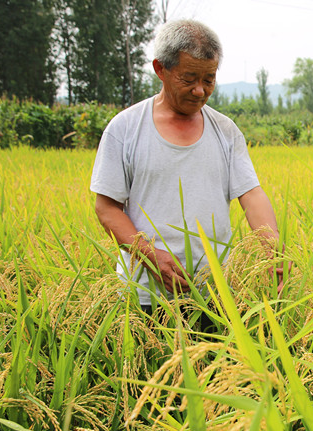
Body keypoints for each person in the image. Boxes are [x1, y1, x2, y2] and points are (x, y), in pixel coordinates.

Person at [90, 19, 285, 314]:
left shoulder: (225, 130)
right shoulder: (125, 128)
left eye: (209, 80)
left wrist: (271, 246)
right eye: (189, 78)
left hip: (215, 293)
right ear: (160, 69)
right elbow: (106, 207)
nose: (199, 91)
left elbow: (252, 194)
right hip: (145, 295)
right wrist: (149, 255)